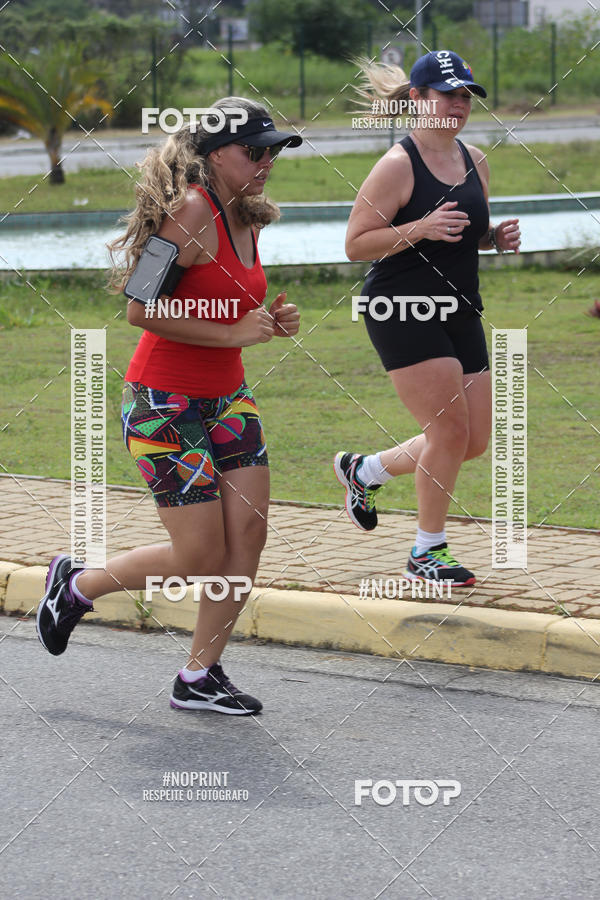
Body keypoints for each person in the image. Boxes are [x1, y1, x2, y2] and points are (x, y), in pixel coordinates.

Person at [36, 97, 302, 714]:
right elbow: (140, 307)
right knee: (198, 554)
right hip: (163, 402)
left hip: (226, 399)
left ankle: (198, 675)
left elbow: (222, 306)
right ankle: (75, 588)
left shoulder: (249, 217)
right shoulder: (189, 211)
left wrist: (268, 321)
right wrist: (237, 332)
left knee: (249, 537)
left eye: (273, 151)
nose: (266, 161)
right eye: (253, 150)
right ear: (213, 156)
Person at [335, 51, 520, 586]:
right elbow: (355, 245)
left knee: (473, 439)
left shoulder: (475, 159)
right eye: (447, 94)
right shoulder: (397, 164)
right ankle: (426, 551)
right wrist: (421, 227)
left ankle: (364, 470)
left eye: (466, 95)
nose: (459, 105)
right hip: (401, 308)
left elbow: (460, 234)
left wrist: (493, 240)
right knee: (447, 431)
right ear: (418, 99)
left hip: (460, 307)